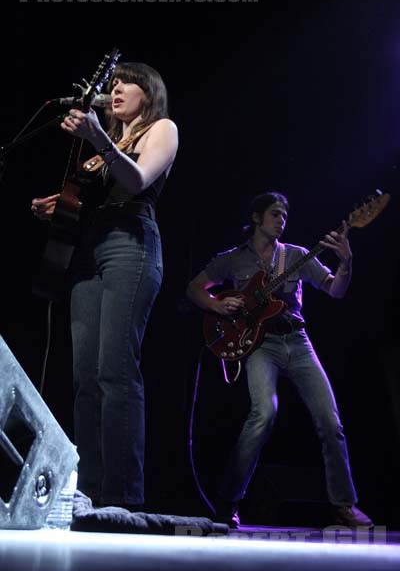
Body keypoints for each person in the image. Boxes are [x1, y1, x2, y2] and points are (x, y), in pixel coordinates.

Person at [31, 62, 178, 510]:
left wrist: (100, 138)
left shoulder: (161, 129)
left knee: (116, 371)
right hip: (88, 247)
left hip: (129, 245)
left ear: (148, 91)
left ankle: (123, 496)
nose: (115, 90)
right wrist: (60, 207)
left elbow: (136, 180)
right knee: (86, 379)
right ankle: (90, 492)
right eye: (112, 84)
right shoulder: (105, 145)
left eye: (125, 83)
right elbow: (94, 196)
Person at [186, 191, 373, 528]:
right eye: (274, 213)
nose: (281, 220)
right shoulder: (232, 259)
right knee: (264, 414)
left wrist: (346, 262)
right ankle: (228, 503)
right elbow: (195, 288)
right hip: (260, 344)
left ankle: (344, 505)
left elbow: (335, 290)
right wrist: (216, 304)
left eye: (285, 215)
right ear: (257, 218)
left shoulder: (297, 255)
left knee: (330, 421)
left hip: (298, 341)